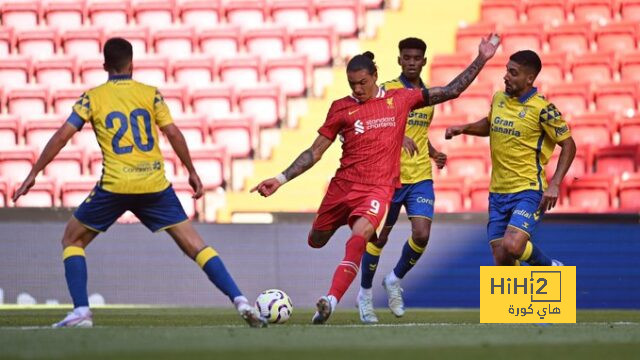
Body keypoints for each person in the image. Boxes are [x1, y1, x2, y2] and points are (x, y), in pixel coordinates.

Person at [12, 38, 267, 328]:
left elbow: (61, 136)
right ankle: (241, 300)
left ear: (105, 65)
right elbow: (173, 133)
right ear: (132, 64)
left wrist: (34, 173)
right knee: (196, 245)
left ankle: (81, 311)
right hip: (154, 185)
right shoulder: (151, 95)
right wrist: (192, 171)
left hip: (115, 185)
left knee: (72, 239)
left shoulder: (92, 97)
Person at [252, 35, 500, 324]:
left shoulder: (401, 99)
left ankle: (331, 300)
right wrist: (280, 178)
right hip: (342, 188)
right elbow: (315, 152)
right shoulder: (340, 108)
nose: (357, 89)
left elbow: (452, 90)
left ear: (375, 77)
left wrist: (482, 58)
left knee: (361, 237)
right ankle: (347, 279)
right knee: (316, 240)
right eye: (352, 84)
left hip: (378, 190)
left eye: (363, 83)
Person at [445, 50, 576, 267]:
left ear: (529, 78)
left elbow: (569, 145)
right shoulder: (499, 99)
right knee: (503, 258)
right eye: (507, 70)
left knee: (514, 245)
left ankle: (551, 268)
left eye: (513, 73)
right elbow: (490, 124)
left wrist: (554, 184)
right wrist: (464, 128)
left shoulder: (544, 109)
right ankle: (519, 301)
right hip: (498, 192)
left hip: (528, 189)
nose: (506, 76)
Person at [356, 37, 447, 324]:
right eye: (406, 57)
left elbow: (419, 131)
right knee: (378, 238)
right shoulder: (388, 92)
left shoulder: (427, 96)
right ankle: (365, 294)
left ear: (423, 61)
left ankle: (394, 279)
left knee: (421, 234)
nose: (411, 62)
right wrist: (396, 135)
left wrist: (433, 153)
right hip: (390, 176)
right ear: (399, 60)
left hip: (419, 175)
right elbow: (370, 123)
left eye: (416, 58)